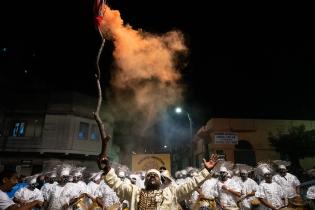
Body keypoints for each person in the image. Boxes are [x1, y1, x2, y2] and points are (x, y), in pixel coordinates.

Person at [98, 154, 218, 210]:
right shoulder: (134, 192)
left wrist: (206, 170)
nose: (151, 176)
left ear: (160, 181)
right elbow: (117, 184)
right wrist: (107, 169)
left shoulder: (171, 192)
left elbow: (190, 184)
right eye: (149, 175)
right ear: (145, 181)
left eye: (155, 175)